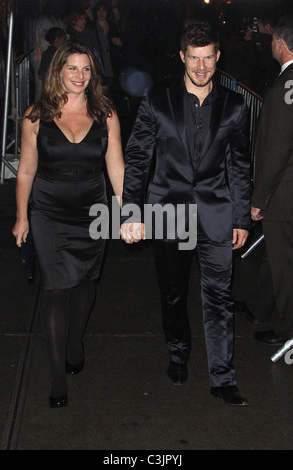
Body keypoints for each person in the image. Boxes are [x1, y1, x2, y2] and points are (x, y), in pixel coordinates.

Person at [120, 22, 251, 406]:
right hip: (168, 211)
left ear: (217, 58)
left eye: (208, 58)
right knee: (173, 294)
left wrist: (242, 217)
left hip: (216, 212)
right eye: (194, 58)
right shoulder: (157, 99)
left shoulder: (235, 105)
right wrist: (131, 211)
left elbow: (240, 166)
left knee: (219, 297)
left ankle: (223, 377)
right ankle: (178, 354)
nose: (201, 66)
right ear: (182, 57)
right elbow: (139, 156)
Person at [12, 40, 124, 408]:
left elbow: (116, 168)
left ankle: (76, 338)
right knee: (56, 289)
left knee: (86, 283)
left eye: (86, 69)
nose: (79, 76)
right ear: (58, 70)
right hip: (48, 212)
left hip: (93, 210)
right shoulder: (36, 115)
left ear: (94, 74)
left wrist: (127, 211)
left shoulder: (105, 113)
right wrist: (21, 216)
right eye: (72, 68)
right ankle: (57, 376)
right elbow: (26, 169)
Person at [251, 14, 293, 347]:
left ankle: (288, 332)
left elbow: (277, 151)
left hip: (283, 197)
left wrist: (259, 198)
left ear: (280, 42)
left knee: (285, 269)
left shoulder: (284, 88)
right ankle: (266, 311)